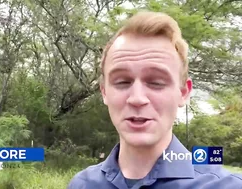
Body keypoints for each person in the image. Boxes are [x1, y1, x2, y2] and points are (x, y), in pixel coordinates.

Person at [67, 11, 242, 189]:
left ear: (183, 92)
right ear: (104, 92)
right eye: (122, 82)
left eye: (156, 82)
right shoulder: (82, 184)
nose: (137, 98)